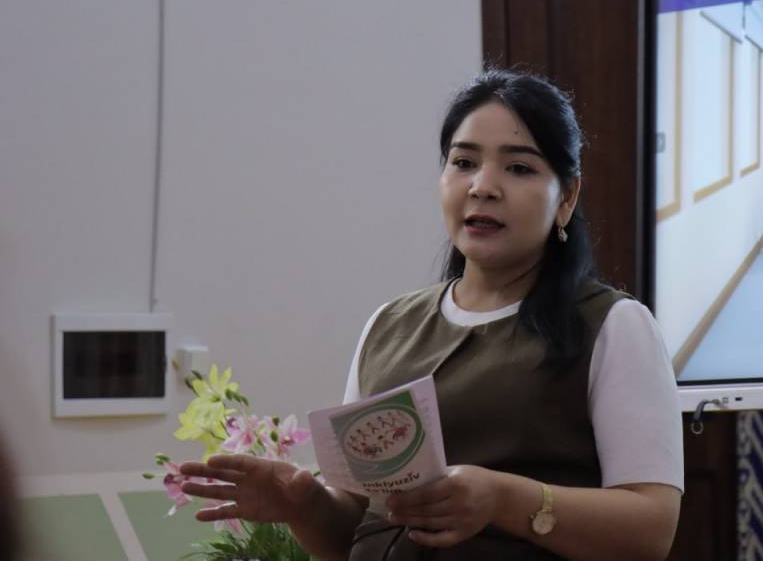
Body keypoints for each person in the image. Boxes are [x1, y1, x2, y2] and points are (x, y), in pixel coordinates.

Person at [181, 70, 684, 561]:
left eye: (518, 168)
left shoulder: (613, 326)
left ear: (566, 197)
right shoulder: (388, 326)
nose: (483, 186)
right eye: (464, 162)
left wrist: (502, 500)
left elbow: (652, 530)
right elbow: (355, 530)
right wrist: (304, 502)